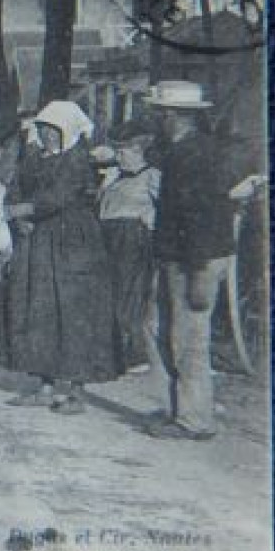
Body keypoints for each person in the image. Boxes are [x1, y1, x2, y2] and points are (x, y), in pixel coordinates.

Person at [142, 81, 265, 441]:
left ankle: (194, 419)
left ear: (172, 116)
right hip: (176, 258)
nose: (156, 120)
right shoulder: (184, 152)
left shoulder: (197, 156)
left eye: (159, 113)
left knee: (189, 336)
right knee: (156, 327)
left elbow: (203, 218)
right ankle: (176, 407)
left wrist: (199, 273)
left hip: (193, 259)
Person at [2, 100, 124, 415]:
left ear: (66, 131)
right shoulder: (32, 157)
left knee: (73, 312)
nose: (46, 136)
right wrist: (19, 218)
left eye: (52, 131)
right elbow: (13, 188)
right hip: (37, 242)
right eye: (42, 130)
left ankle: (76, 390)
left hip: (74, 243)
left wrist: (25, 210)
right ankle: (44, 384)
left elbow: (61, 196)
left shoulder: (77, 160)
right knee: (37, 309)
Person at [97, 119, 161, 373]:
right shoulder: (114, 177)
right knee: (107, 296)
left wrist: (150, 222)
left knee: (129, 297)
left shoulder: (152, 177)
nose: (118, 156)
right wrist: (105, 186)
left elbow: (165, 209)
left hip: (132, 242)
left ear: (138, 151)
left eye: (122, 152)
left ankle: (134, 355)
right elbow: (102, 208)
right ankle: (111, 351)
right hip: (108, 239)